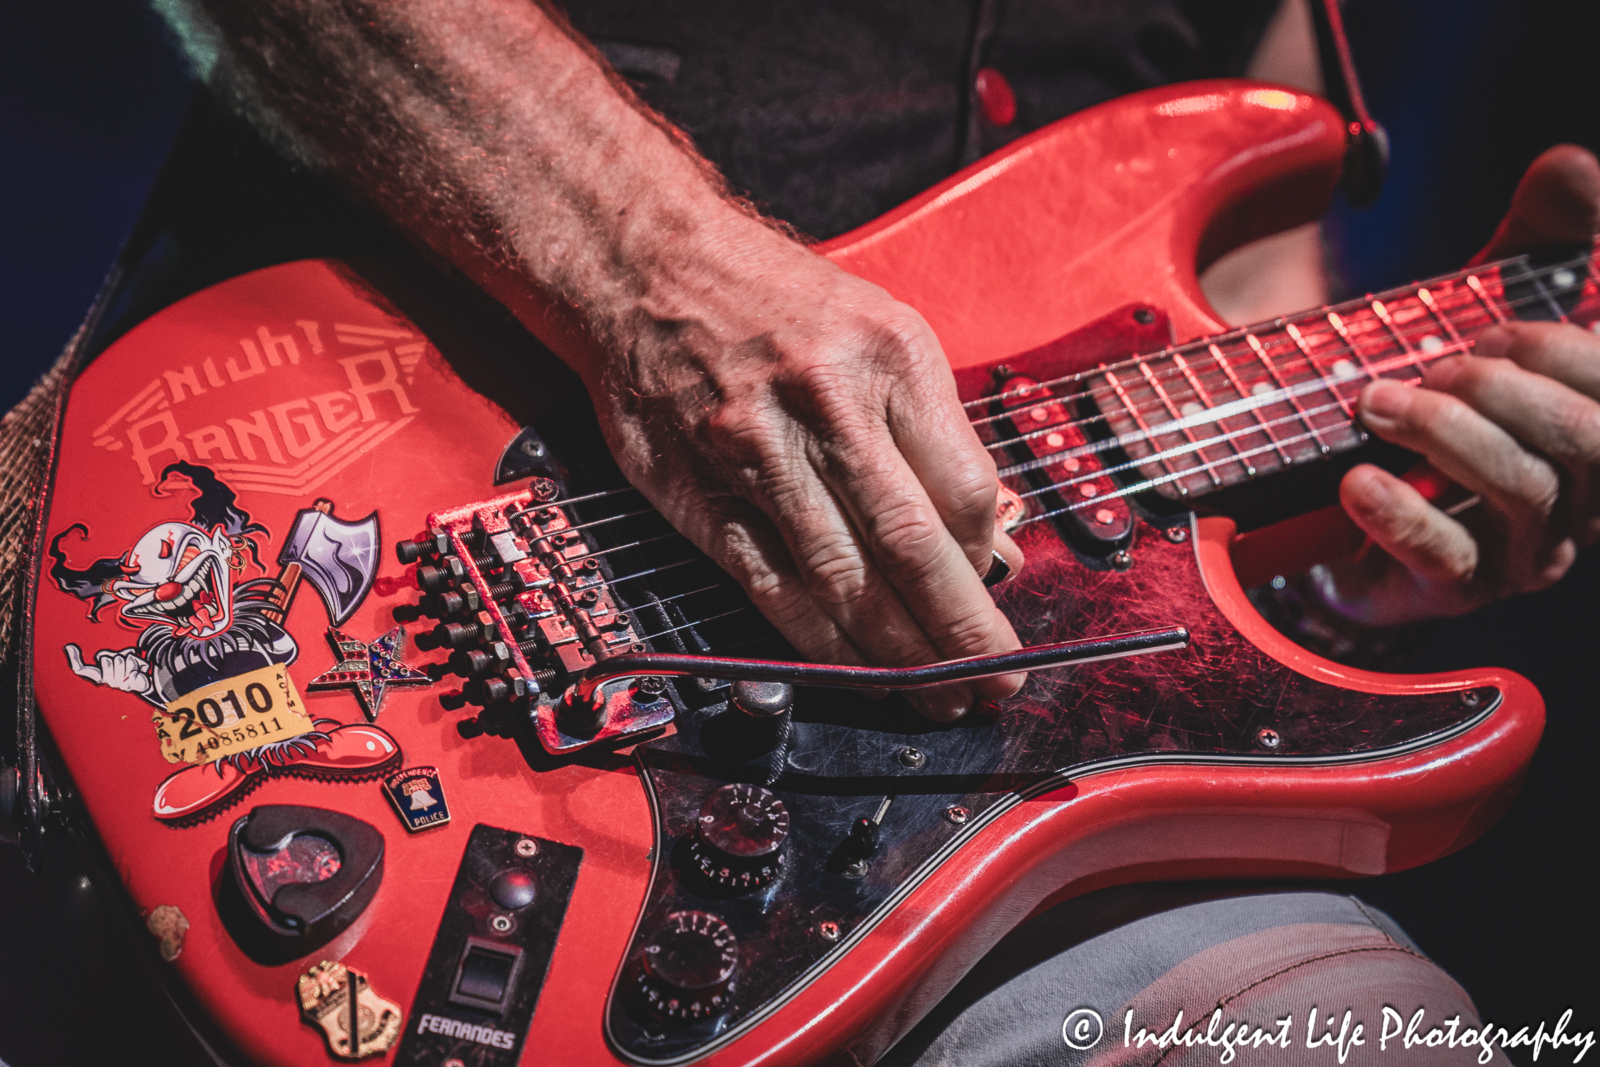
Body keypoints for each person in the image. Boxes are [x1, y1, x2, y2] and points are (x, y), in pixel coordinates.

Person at [39, 0, 1600, 1061]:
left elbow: (1244, 303)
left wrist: (1343, 556)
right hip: (383, 486)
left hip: (1000, 787)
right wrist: (649, 274)